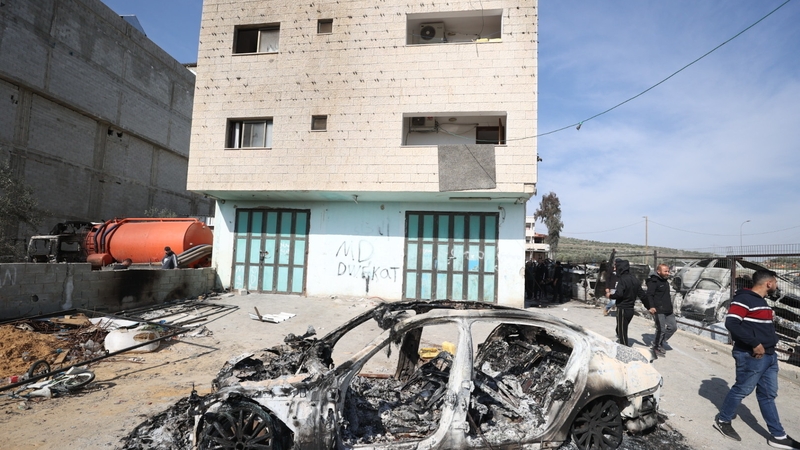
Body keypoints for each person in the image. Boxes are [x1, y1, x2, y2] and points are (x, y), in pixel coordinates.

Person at [713, 269, 800, 449]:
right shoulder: (744, 299)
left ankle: (778, 435)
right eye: (775, 282)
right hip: (752, 355)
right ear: (769, 283)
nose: (776, 285)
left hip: (769, 356)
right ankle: (723, 420)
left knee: (768, 394)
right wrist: (754, 343)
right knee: (742, 389)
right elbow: (731, 323)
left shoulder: (762, 301)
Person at [608, 259, 648, 346]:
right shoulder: (635, 280)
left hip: (623, 309)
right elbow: (642, 295)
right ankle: (619, 334)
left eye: (616, 267)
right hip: (630, 310)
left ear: (620, 268)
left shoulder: (622, 280)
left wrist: (610, 296)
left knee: (622, 333)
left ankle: (624, 349)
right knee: (621, 328)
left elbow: (619, 294)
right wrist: (649, 306)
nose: (615, 269)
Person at [646, 263, 676, 357]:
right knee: (661, 329)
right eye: (665, 271)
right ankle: (656, 347)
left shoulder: (665, 281)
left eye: (668, 271)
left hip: (668, 309)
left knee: (673, 327)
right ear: (658, 271)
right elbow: (649, 295)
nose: (668, 273)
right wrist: (651, 307)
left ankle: (660, 341)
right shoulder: (654, 281)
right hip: (658, 309)